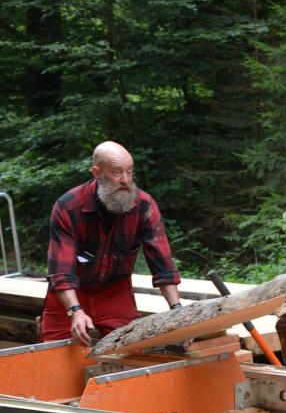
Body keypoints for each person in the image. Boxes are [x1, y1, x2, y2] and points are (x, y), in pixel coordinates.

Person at [39, 141, 181, 346]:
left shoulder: (144, 207)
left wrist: (177, 310)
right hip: (70, 292)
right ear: (97, 172)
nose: (125, 180)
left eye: (129, 172)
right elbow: (61, 273)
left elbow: (163, 267)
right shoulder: (68, 207)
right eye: (116, 172)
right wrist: (75, 311)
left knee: (131, 351)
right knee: (50, 357)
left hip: (115, 293)